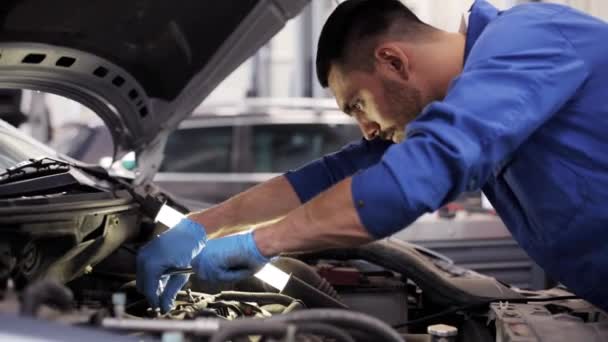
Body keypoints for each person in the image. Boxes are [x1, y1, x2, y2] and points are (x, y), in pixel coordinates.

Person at [137, 0, 608, 313]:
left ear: (394, 62)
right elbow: (334, 174)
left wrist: (258, 245)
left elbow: (417, 175)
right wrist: (200, 226)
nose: (367, 128)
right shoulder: (466, 100)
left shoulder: (529, 42)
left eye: (357, 105)